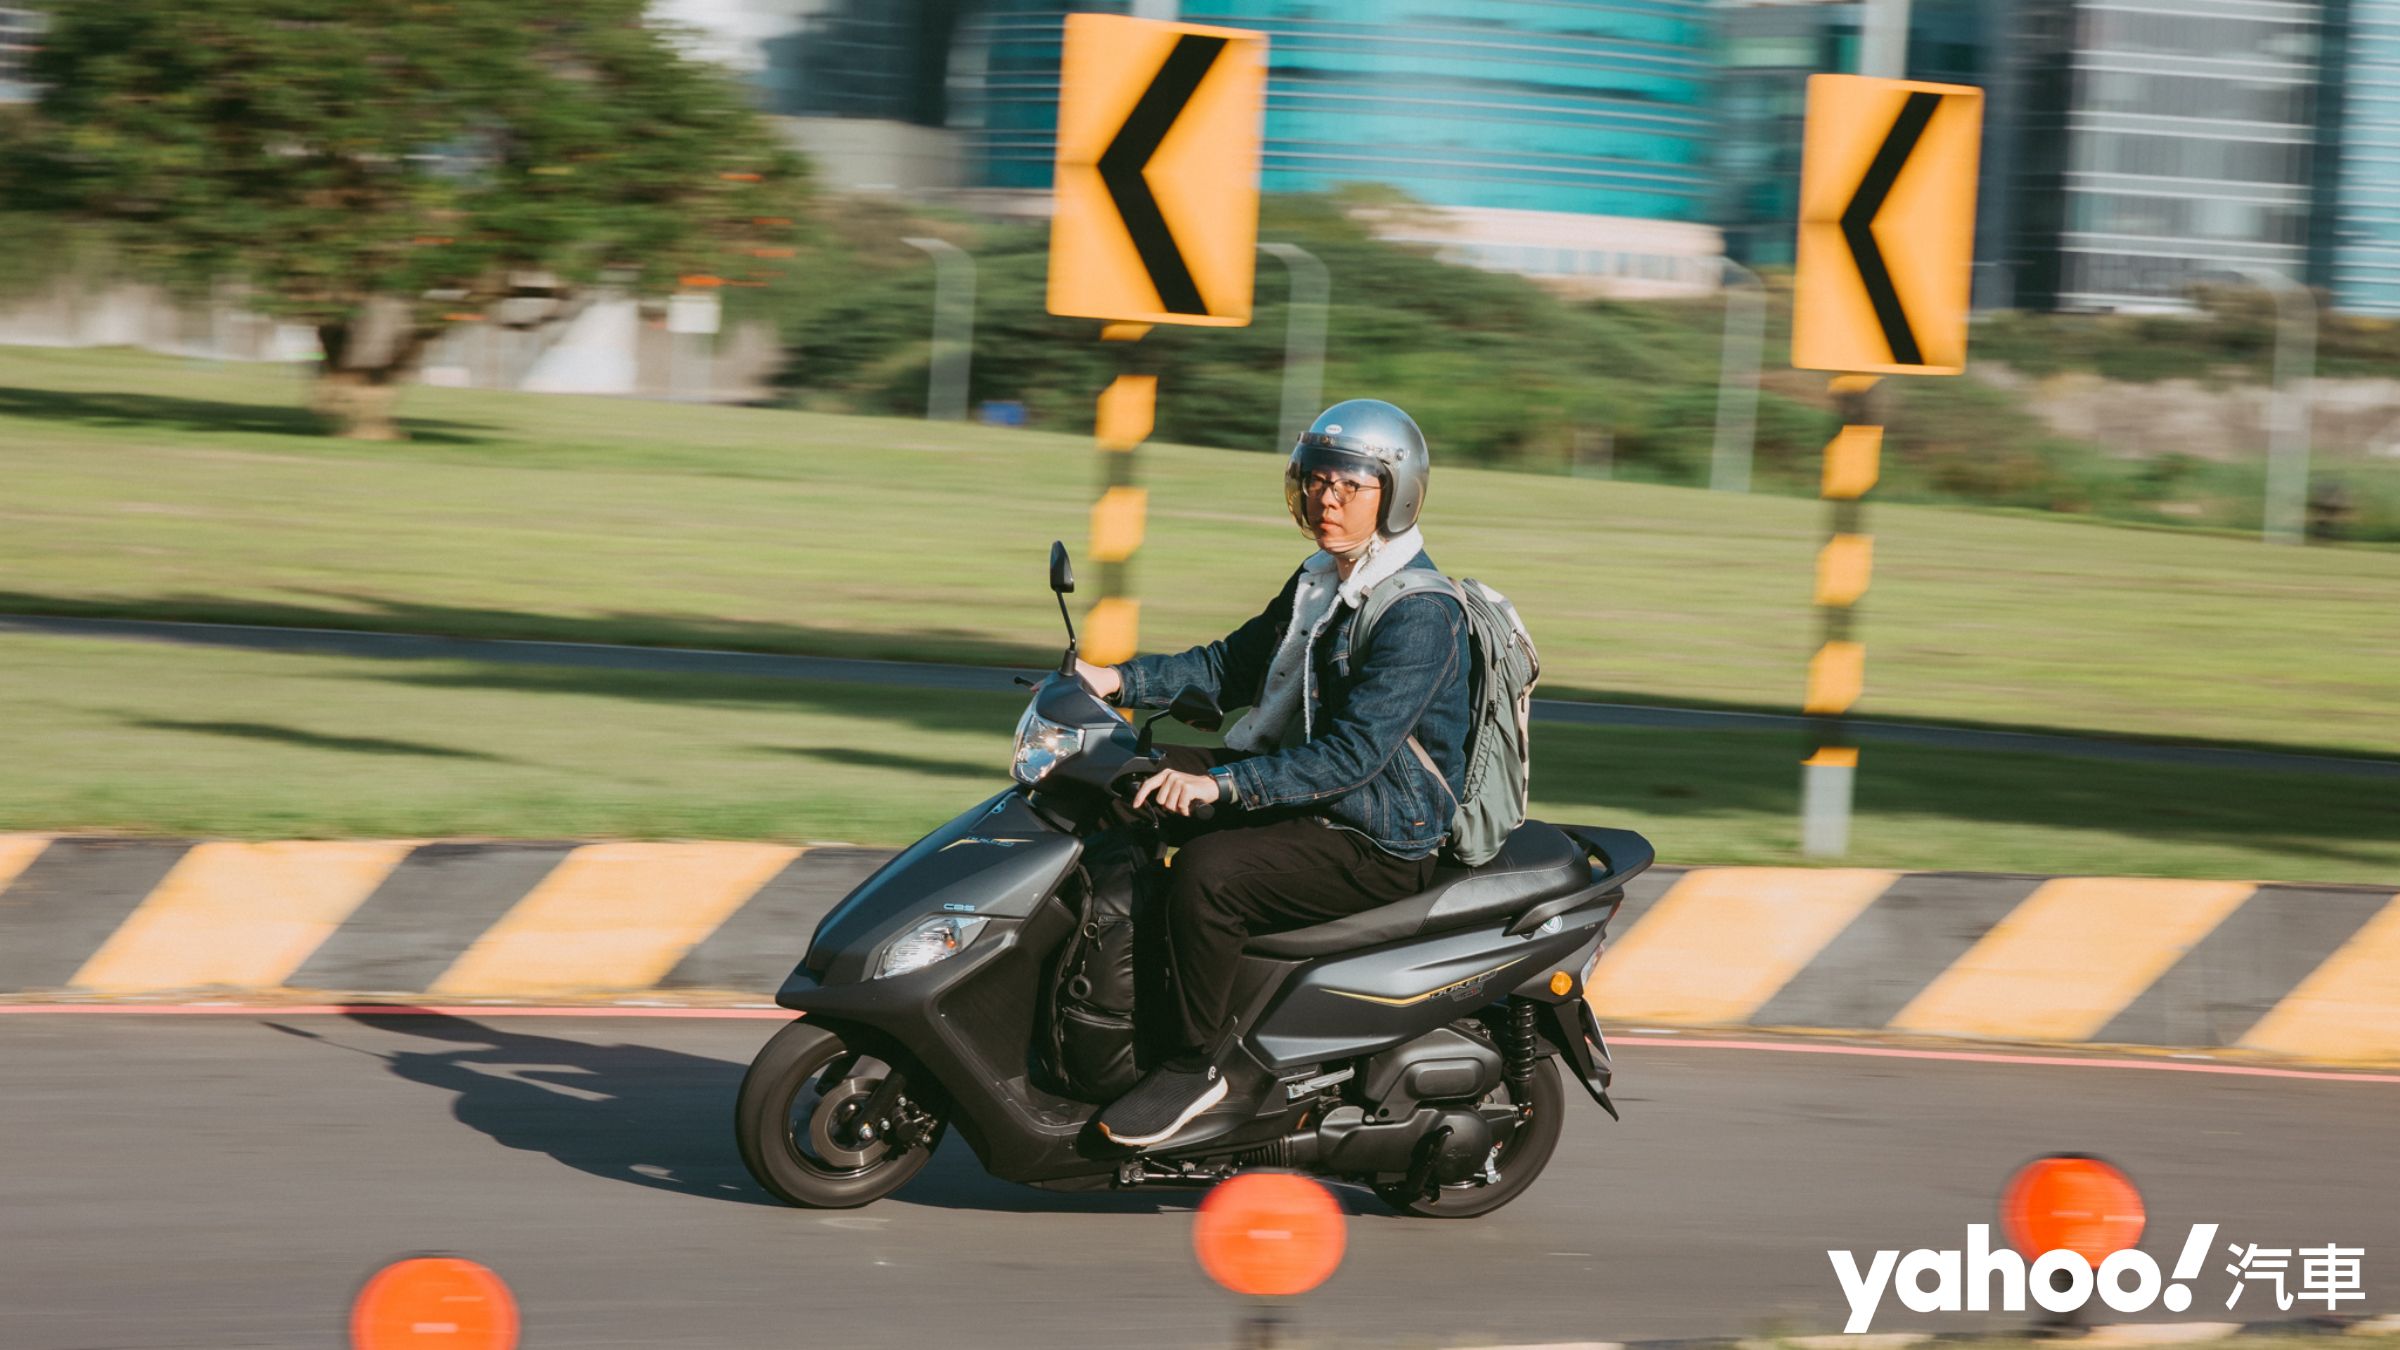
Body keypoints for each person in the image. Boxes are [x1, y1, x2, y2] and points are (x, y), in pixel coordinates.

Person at [1075, 399, 1471, 1150]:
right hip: (1304, 782)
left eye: (1351, 486)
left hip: (1379, 828)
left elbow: (1355, 756)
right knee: (1118, 779)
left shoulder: (1420, 613)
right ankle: (1110, 1000)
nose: (1328, 500)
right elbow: (1229, 668)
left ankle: (1195, 1067)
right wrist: (1113, 680)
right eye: (1317, 481)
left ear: (1398, 494)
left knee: (1211, 872)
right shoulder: (1323, 578)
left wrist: (1222, 787)